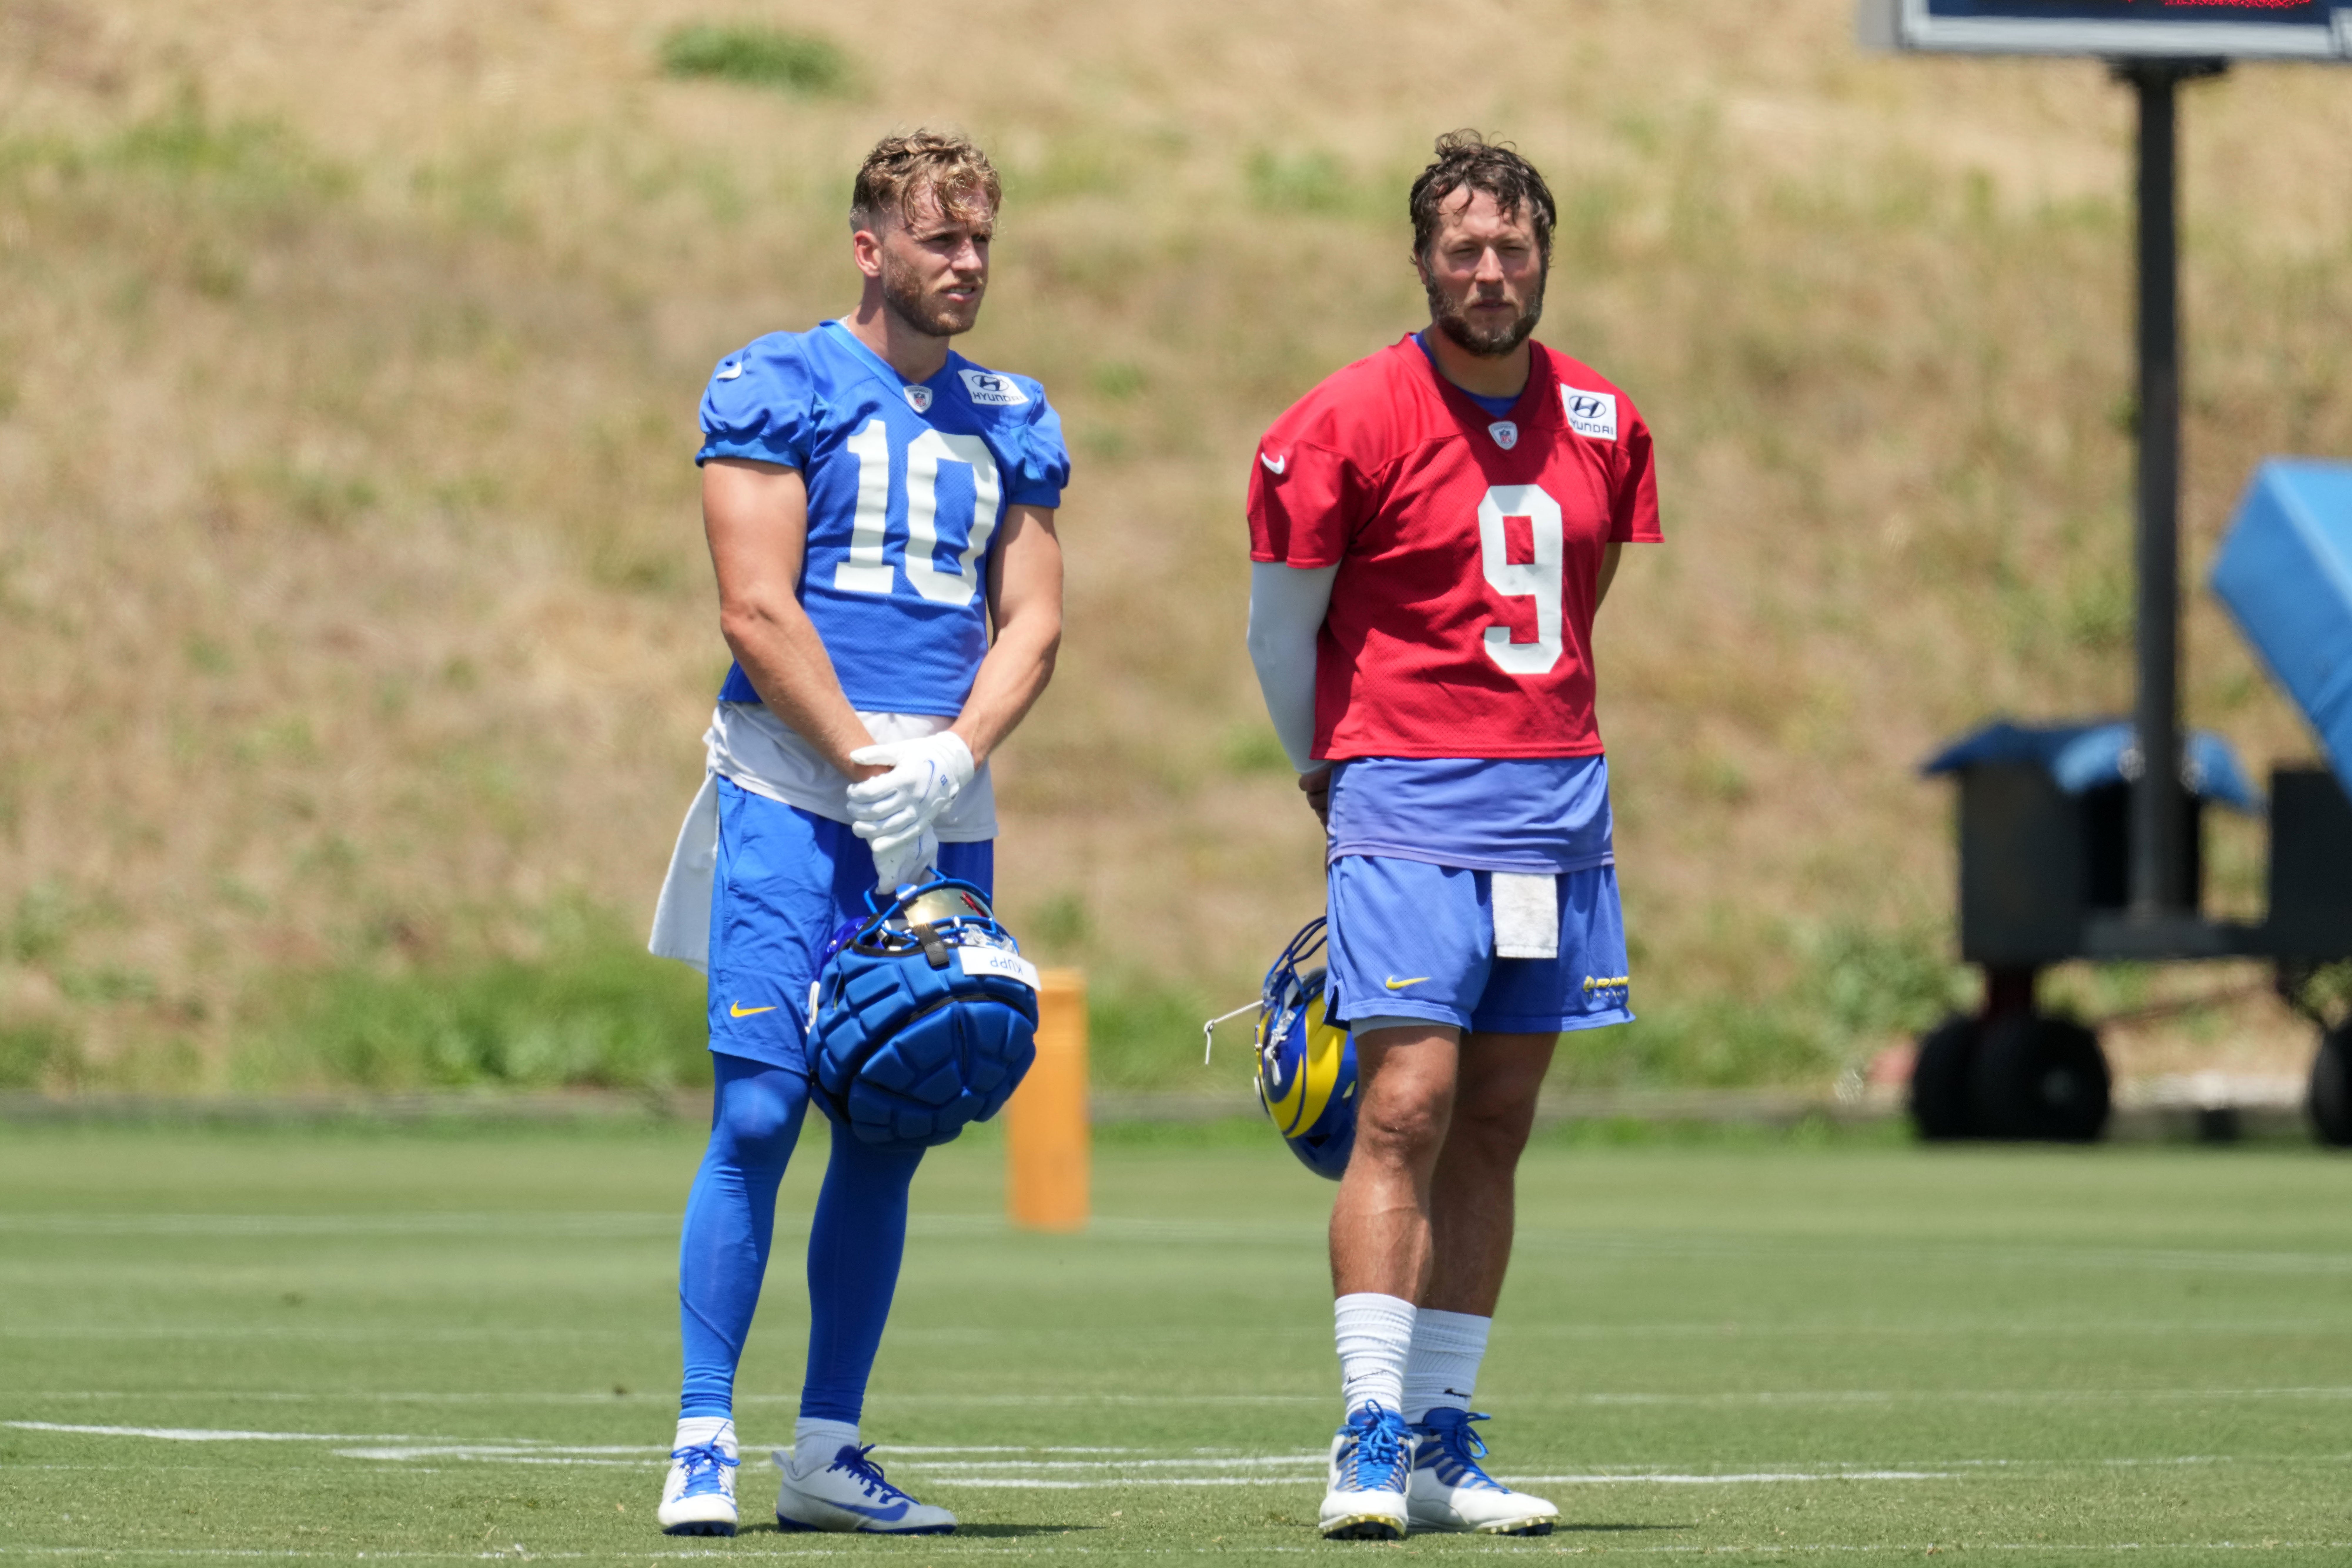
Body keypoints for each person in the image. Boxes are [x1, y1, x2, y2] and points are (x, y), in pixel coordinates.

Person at [644, 130, 1066, 1537]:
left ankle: (826, 1449)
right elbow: (756, 606)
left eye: (982, 241)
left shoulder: (1010, 413)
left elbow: (1037, 621)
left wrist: (947, 756)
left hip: (941, 802)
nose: (967, 266)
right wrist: (860, 757)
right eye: (939, 239)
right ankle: (704, 1428)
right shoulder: (781, 379)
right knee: (760, 1106)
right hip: (791, 786)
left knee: (892, 1115)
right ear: (869, 245)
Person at [1244, 129, 1661, 1540]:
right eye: (1463, 249)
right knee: (1407, 1101)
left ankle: (1442, 1436)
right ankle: (1365, 1427)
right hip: (1406, 798)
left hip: (1556, 806)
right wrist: (1327, 766)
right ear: (1422, 259)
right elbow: (1279, 623)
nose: (1490, 271)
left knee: (1497, 1119)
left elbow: (1581, 613)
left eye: (1514, 246)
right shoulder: (1347, 414)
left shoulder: (1604, 415)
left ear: (1547, 252)